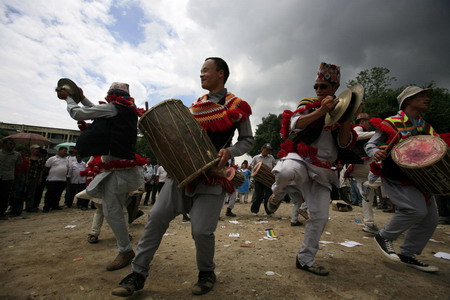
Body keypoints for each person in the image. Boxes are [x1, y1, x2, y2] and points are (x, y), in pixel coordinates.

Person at [112, 57, 254, 297]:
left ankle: (206, 272)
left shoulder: (236, 105)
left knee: (201, 231)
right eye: (200, 71)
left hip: (212, 176)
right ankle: (138, 274)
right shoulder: (194, 106)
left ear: (221, 73)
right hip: (180, 175)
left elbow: (248, 140)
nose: (201, 75)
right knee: (155, 219)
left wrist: (230, 151)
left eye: (205, 70)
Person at [268, 62, 355, 276]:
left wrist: (345, 118)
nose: (317, 90)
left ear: (335, 87)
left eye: (323, 87)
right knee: (285, 172)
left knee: (320, 217)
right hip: (301, 159)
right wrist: (322, 111)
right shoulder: (308, 105)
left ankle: (305, 259)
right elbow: (292, 126)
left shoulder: (344, 108)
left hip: (324, 171)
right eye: (316, 86)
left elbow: (345, 144)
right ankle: (275, 196)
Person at [56, 80, 146, 271]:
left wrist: (70, 99)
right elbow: (100, 112)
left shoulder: (114, 109)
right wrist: (83, 98)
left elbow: (77, 114)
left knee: (112, 212)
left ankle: (125, 250)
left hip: (119, 172)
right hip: (124, 171)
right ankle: (125, 246)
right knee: (114, 210)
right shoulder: (125, 111)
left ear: (112, 95)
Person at [365, 86, 440, 273]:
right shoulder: (392, 123)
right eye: (421, 96)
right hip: (397, 174)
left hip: (420, 177)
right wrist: (376, 152)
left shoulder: (425, 126)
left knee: (431, 218)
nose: (426, 98)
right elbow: (371, 144)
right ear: (408, 101)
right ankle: (385, 236)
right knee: (415, 209)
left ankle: (408, 253)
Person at [349, 113, 379, 234]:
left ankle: (369, 223)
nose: (369, 123)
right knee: (386, 170)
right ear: (363, 121)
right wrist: (378, 133)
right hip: (363, 163)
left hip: (357, 167)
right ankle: (370, 185)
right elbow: (356, 135)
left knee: (367, 197)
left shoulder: (361, 129)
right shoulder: (358, 128)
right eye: (368, 121)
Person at [249, 143, 276, 215]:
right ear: (262, 149)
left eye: (269, 150)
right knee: (258, 195)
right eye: (266, 149)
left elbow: (275, 166)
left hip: (268, 180)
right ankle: (254, 211)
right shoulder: (256, 158)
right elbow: (253, 168)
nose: (267, 151)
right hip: (258, 179)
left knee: (268, 196)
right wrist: (253, 178)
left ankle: (269, 212)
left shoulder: (271, 157)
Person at [0, 138, 22, 220]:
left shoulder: (17, 155)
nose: (12, 146)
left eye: (13, 144)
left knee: (5, 196)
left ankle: (1, 213)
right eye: (9, 144)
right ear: (4, 144)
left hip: (8, 178)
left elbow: (17, 166)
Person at [43, 147, 69, 212]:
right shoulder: (52, 159)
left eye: (66, 151)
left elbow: (67, 169)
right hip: (52, 179)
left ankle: (55, 205)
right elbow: (46, 168)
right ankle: (47, 207)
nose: (65, 152)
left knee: (58, 194)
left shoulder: (66, 160)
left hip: (62, 179)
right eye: (64, 151)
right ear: (59, 151)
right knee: (50, 193)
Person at [24, 144, 45, 213]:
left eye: (38, 149)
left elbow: (41, 169)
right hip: (26, 176)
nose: (37, 150)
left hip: (35, 177)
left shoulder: (40, 159)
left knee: (31, 193)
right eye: (35, 149)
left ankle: (29, 207)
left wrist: (40, 178)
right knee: (22, 192)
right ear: (31, 149)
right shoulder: (26, 158)